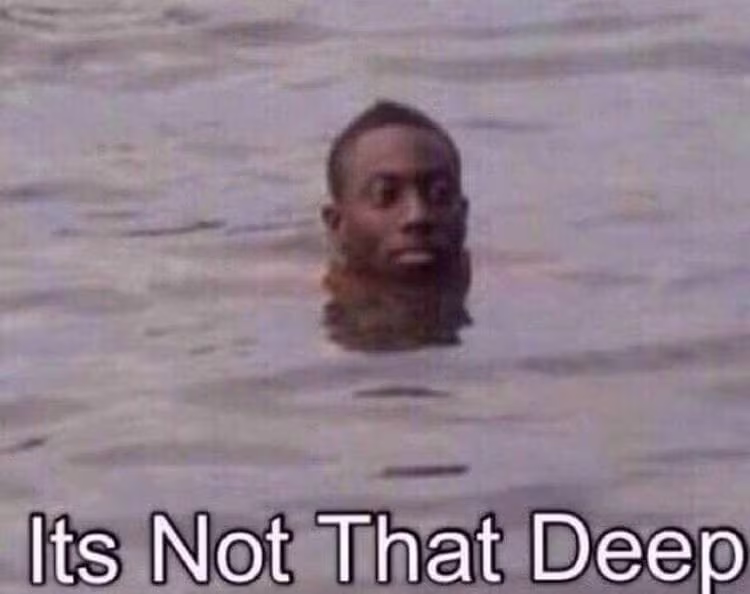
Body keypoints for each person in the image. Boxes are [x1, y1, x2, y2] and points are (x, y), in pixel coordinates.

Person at [321, 100, 471, 351]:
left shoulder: (516, 284)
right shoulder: (284, 294)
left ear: (464, 212)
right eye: (385, 194)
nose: (417, 216)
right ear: (336, 223)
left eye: (439, 193)